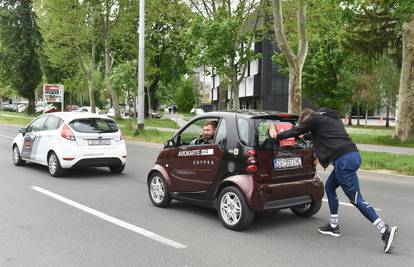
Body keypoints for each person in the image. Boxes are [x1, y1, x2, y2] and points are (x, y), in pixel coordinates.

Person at [269, 107, 398, 253]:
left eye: (304, 124)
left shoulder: (313, 119)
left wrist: (277, 136)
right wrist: (302, 137)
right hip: (353, 156)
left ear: (306, 119)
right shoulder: (331, 119)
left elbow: (297, 131)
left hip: (343, 162)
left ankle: (385, 230)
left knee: (356, 199)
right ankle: (333, 225)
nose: (306, 126)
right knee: (330, 187)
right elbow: (314, 136)